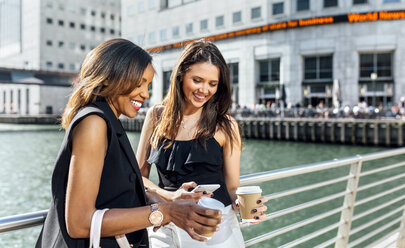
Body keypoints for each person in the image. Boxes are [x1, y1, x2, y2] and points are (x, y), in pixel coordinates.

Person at [35, 39, 221, 248]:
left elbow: (117, 191)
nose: (145, 93)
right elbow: (79, 222)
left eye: (148, 85)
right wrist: (166, 212)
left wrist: (168, 198)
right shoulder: (95, 122)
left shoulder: (108, 121)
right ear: (112, 77)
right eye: (139, 82)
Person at [137, 40, 268, 248]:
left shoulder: (226, 126)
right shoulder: (155, 116)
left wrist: (242, 204)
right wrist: (169, 196)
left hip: (215, 231)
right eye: (197, 80)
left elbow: (233, 187)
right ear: (181, 76)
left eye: (212, 84)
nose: (204, 90)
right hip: (165, 228)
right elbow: (138, 177)